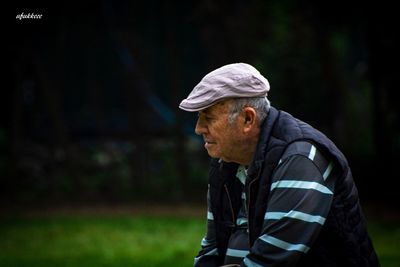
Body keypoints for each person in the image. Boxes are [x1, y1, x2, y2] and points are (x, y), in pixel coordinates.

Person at [179, 63, 380, 267]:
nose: (198, 129)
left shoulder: (300, 158)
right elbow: (212, 249)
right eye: (199, 117)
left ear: (248, 119)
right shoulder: (225, 160)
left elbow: (270, 261)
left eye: (208, 118)